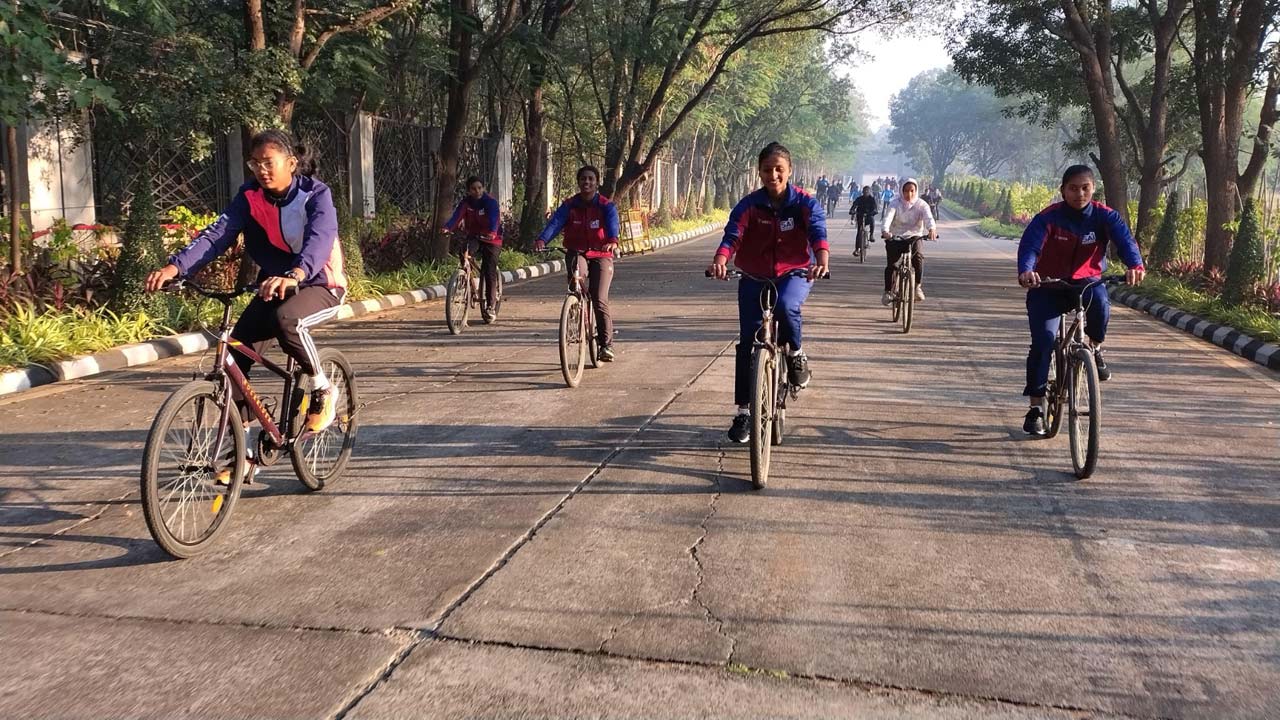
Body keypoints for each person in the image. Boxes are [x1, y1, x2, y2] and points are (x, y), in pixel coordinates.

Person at [145, 129, 347, 442]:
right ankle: (244, 452)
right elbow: (217, 234)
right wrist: (176, 267)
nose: (261, 170)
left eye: (269, 162)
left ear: (291, 163)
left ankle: (322, 386)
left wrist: (295, 274)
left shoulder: (315, 195)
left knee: (287, 320)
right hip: (273, 286)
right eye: (254, 163)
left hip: (320, 283)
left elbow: (320, 240)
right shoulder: (250, 196)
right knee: (232, 361)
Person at [707, 142, 829, 444]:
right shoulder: (749, 205)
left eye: (779, 169)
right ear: (759, 172)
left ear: (789, 171)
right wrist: (720, 261)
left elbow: (817, 232)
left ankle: (796, 355)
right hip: (752, 274)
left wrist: (822, 261)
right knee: (747, 341)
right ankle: (744, 412)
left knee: (787, 306)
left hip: (795, 272)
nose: (772, 174)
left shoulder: (804, 203)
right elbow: (733, 235)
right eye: (767, 169)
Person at [1017, 164, 1145, 436]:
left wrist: (1135, 265)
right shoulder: (1048, 218)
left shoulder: (1105, 216)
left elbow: (1125, 242)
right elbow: (1030, 246)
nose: (1079, 194)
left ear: (1093, 188)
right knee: (1042, 343)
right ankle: (1036, 408)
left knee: (1101, 303)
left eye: (1085, 187)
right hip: (1047, 286)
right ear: (1062, 190)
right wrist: (1027, 270)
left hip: (1087, 283)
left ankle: (1095, 348)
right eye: (1073, 188)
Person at [535, 165, 621, 361]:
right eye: (583, 178)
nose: (587, 182)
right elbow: (556, 223)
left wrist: (612, 240)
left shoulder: (606, 205)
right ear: (578, 182)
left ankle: (605, 345)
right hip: (576, 252)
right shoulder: (570, 205)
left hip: (601, 254)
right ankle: (575, 311)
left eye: (591, 179)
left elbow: (612, 224)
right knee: (576, 282)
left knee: (599, 298)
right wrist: (542, 239)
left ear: (596, 182)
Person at [443, 176, 503, 321]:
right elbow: (456, 216)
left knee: (489, 270)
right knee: (464, 251)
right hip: (475, 236)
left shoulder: (490, 202)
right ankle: (466, 279)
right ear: (468, 191)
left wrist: (492, 232)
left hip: (492, 239)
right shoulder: (466, 203)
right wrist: (447, 227)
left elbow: (494, 219)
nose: (477, 191)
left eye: (479, 188)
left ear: (483, 188)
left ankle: (490, 306)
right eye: (473, 189)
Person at [880, 177, 936, 305]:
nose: (909, 194)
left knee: (919, 258)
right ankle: (888, 291)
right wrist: (885, 231)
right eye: (906, 191)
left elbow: (928, 218)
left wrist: (932, 229)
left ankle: (917, 287)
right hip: (895, 236)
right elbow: (887, 218)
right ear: (901, 191)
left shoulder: (921, 204)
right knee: (892, 265)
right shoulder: (895, 203)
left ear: (915, 191)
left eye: (912, 191)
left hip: (914, 236)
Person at [851, 186, 878, 253]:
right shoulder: (859, 199)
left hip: (869, 216)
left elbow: (875, 208)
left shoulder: (872, 199)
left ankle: (871, 235)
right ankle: (857, 249)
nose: (866, 192)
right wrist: (852, 210)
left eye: (867, 191)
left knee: (872, 220)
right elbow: (854, 205)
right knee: (859, 232)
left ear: (869, 192)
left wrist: (874, 212)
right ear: (862, 192)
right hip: (860, 216)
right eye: (864, 191)